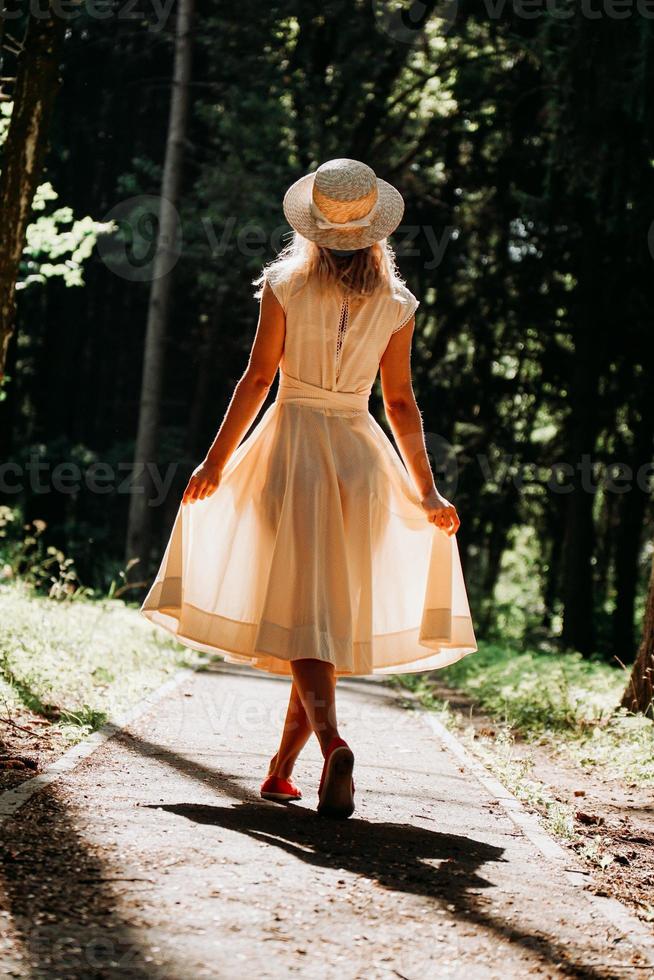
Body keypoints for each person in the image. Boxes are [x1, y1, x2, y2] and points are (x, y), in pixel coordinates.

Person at [140, 158, 477, 820]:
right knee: (317, 616)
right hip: (360, 460)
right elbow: (401, 404)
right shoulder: (398, 303)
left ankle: (332, 745)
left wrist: (215, 461)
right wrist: (428, 492)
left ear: (313, 228)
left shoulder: (284, 285)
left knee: (304, 614)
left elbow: (257, 380)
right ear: (375, 231)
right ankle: (280, 771)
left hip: (290, 452)